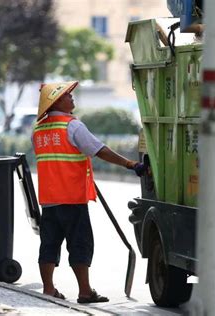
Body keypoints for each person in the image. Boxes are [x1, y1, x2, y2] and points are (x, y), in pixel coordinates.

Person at [32, 81, 145, 303]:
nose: (72, 98)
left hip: (49, 199)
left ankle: (48, 289)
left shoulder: (39, 130)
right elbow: (99, 150)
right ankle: (85, 291)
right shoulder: (72, 126)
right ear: (57, 101)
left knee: (49, 244)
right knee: (80, 244)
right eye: (68, 96)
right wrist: (130, 164)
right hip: (72, 198)